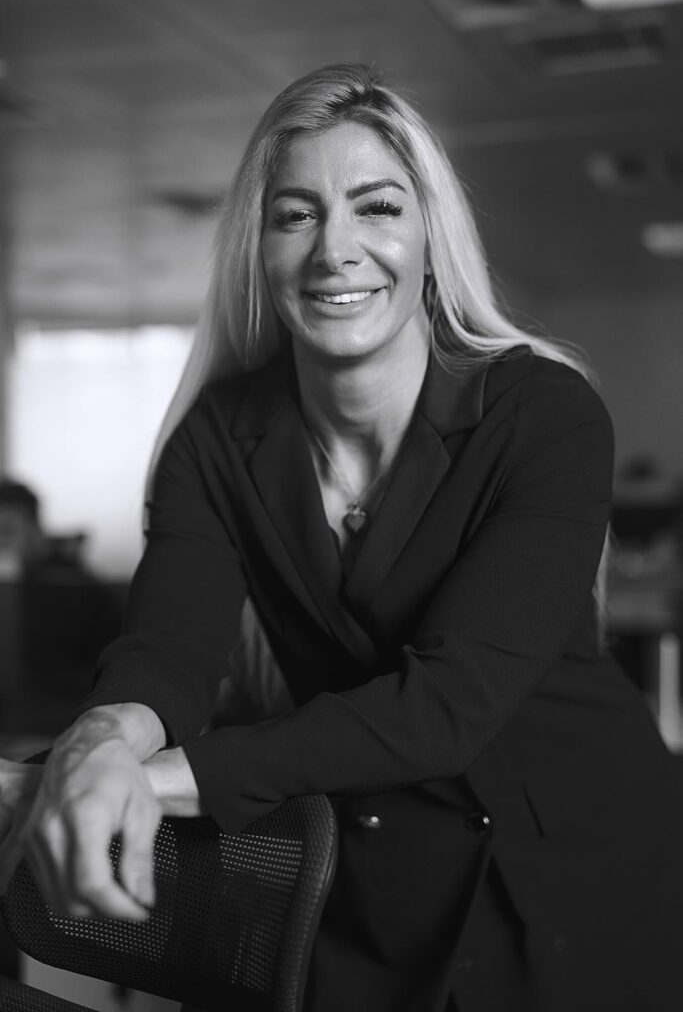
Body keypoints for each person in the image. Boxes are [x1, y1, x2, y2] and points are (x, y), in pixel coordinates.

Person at [1, 64, 682, 1012]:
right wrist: (100, 744)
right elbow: (169, 652)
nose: (336, 250)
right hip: (377, 877)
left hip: (587, 860)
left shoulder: (542, 414)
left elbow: (446, 704)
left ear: (431, 238)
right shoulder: (215, 439)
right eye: (296, 216)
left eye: (377, 208)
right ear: (260, 248)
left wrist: (144, 784)